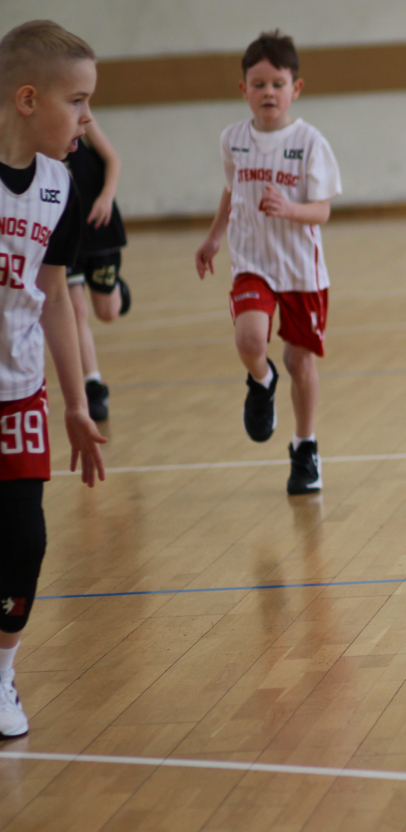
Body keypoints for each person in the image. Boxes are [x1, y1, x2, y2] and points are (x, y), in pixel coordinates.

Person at [0, 19, 107, 739]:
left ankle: (2, 673)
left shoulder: (60, 185)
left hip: (19, 391)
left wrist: (74, 402)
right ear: (28, 99)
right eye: (78, 101)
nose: (87, 118)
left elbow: (57, 296)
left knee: (25, 542)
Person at [195, 30, 341, 495]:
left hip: (301, 270)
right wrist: (213, 237)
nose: (268, 93)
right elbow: (232, 189)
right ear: (244, 90)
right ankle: (261, 379)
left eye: (278, 84)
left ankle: (305, 447)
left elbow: (322, 210)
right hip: (252, 261)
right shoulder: (233, 140)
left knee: (300, 362)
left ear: (295, 88)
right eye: (258, 84)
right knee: (250, 338)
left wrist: (290, 209)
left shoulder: (310, 142)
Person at [65, 116, 130, 422]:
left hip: (98, 225)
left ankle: (118, 288)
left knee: (107, 312)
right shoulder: (34, 128)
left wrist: (106, 197)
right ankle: (94, 386)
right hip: (66, 233)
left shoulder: (80, 113)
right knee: (76, 310)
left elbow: (113, 159)